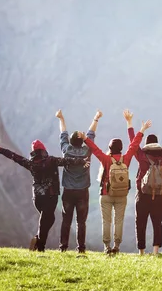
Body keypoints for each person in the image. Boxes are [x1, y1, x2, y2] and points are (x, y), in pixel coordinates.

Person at [0, 140, 89, 252]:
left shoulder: (30, 164)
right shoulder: (51, 160)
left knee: (48, 219)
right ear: (43, 150)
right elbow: (67, 161)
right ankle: (40, 246)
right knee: (47, 219)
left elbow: (15, 157)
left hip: (37, 197)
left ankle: (38, 240)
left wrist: (0, 150)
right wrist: (81, 161)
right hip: (50, 196)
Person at [81, 118, 152, 254]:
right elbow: (134, 145)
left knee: (106, 221)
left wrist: (85, 138)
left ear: (110, 149)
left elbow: (95, 150)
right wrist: (142, 130)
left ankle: (107, 247)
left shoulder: (106, 159)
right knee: (119, 221)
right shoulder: (126, 158)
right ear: (121, 148)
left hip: (106, 194)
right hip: (122, 195)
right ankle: (117, 246)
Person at [124, 109, 162, 255]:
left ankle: (141, 251)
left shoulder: (142, 157)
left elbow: (133, 143)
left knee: (141, 223)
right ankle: (155, 251)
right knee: (157, 223)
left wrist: (131, 123)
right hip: (159, 195)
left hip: (143, 195)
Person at [55, 109, 102, 254]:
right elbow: (91, 135)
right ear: (82, 141)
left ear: (71, 141)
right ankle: (81, 248)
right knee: (81, 221)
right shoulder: (87, 151)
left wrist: (61, 118)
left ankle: (63, 247)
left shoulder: (66, 149)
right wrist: (96, 118)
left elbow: (63, 134)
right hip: (82, 191)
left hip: (68, 191)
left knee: (66, 220)